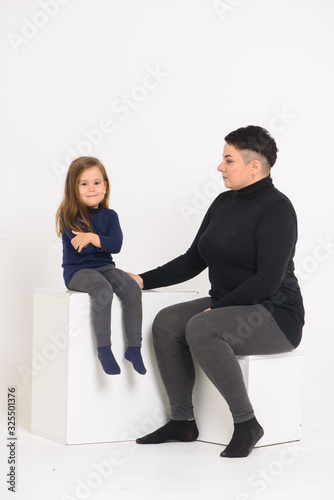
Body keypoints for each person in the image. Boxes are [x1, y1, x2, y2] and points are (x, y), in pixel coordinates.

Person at [129, 125, 305, 457]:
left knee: (201, 326)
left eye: (229, 160)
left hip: (275, 314)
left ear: (254, 166)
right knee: (167, 322)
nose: (220, 167)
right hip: (231, 305)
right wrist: (141, 280)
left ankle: (247, 424)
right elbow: (193, 259)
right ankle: (182, 421)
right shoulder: (223, 202)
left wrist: (220, 309)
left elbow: (268, 278)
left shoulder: (278, 209)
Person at [56, 156, 146, 375]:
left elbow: (116, 245)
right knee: (102, 288)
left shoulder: (110, 215)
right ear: (74, 188)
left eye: (97, 183)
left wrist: (91, 237)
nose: (91, 189)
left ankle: (134, 348)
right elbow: (82, 249)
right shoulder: (69, 215)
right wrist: (98, 241)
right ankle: (104, 349)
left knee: (132, 288)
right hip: (78, 271)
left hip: (106, 267)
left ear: (105, 186)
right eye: (84, 184)